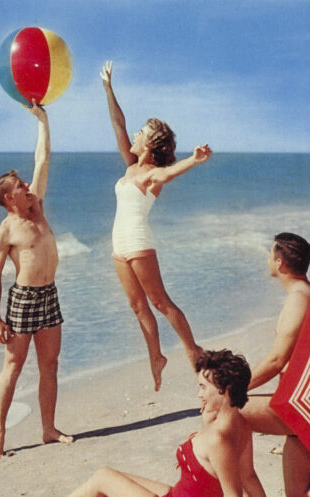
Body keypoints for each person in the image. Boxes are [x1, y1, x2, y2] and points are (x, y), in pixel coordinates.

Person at [100, 60, 212, 391]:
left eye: (142, 133)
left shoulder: (151, 175)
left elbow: (168, 172)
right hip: (119, 248)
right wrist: (108, 88)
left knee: (160, 302)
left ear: (149, 145)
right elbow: (118, 125)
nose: (135, 134)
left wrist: (194, 159)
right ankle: (156, 357)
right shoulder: (131, 165)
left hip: (137, 243)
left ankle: (193, 351)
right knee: (138, 307)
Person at [0, 101, 73, 458]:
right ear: (9, 198)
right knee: (13, 365)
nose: (27, 186)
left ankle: (48, 429)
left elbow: (43, 159)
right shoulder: (6, 230)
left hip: (49, 296)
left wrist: (43, 121)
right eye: (20, 186)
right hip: (22, 300)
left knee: (49, 365)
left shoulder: (37, 207)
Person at [67, 349, 266, 497]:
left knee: (103, 477)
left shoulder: (217, 440)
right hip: (177, 494)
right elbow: (248, 476)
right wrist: (206, 422)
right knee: (112, 480)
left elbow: (234, 494)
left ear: (226, 390)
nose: (199, 394)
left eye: (204, 387)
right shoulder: (240, 424)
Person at [240, 233, 310, 497]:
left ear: (280, 263)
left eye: (270, 254)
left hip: (302, 404)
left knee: (228, 410)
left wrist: (235, 388)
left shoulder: (298, 297)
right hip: (306, 397)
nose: (267, 259)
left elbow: (276, 359)